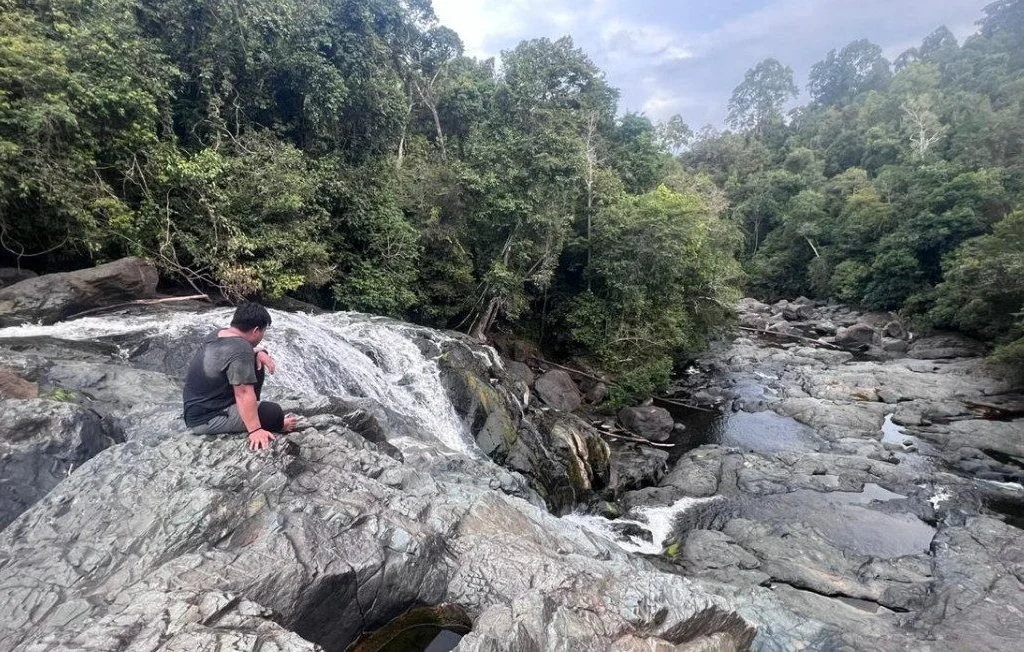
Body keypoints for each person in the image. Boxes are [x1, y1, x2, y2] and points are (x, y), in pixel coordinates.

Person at [183, 302, 297, 451]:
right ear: (256, 330)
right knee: (273, 414)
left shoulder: (218, 333)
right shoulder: (241, 349)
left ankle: (250, 411)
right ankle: (255, 419)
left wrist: (259, 353)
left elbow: (236, 355)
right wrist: (255, 430)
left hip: (196, 409)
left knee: (256, 361)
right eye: (263, 331)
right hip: (208, 418)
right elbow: (243, 393)